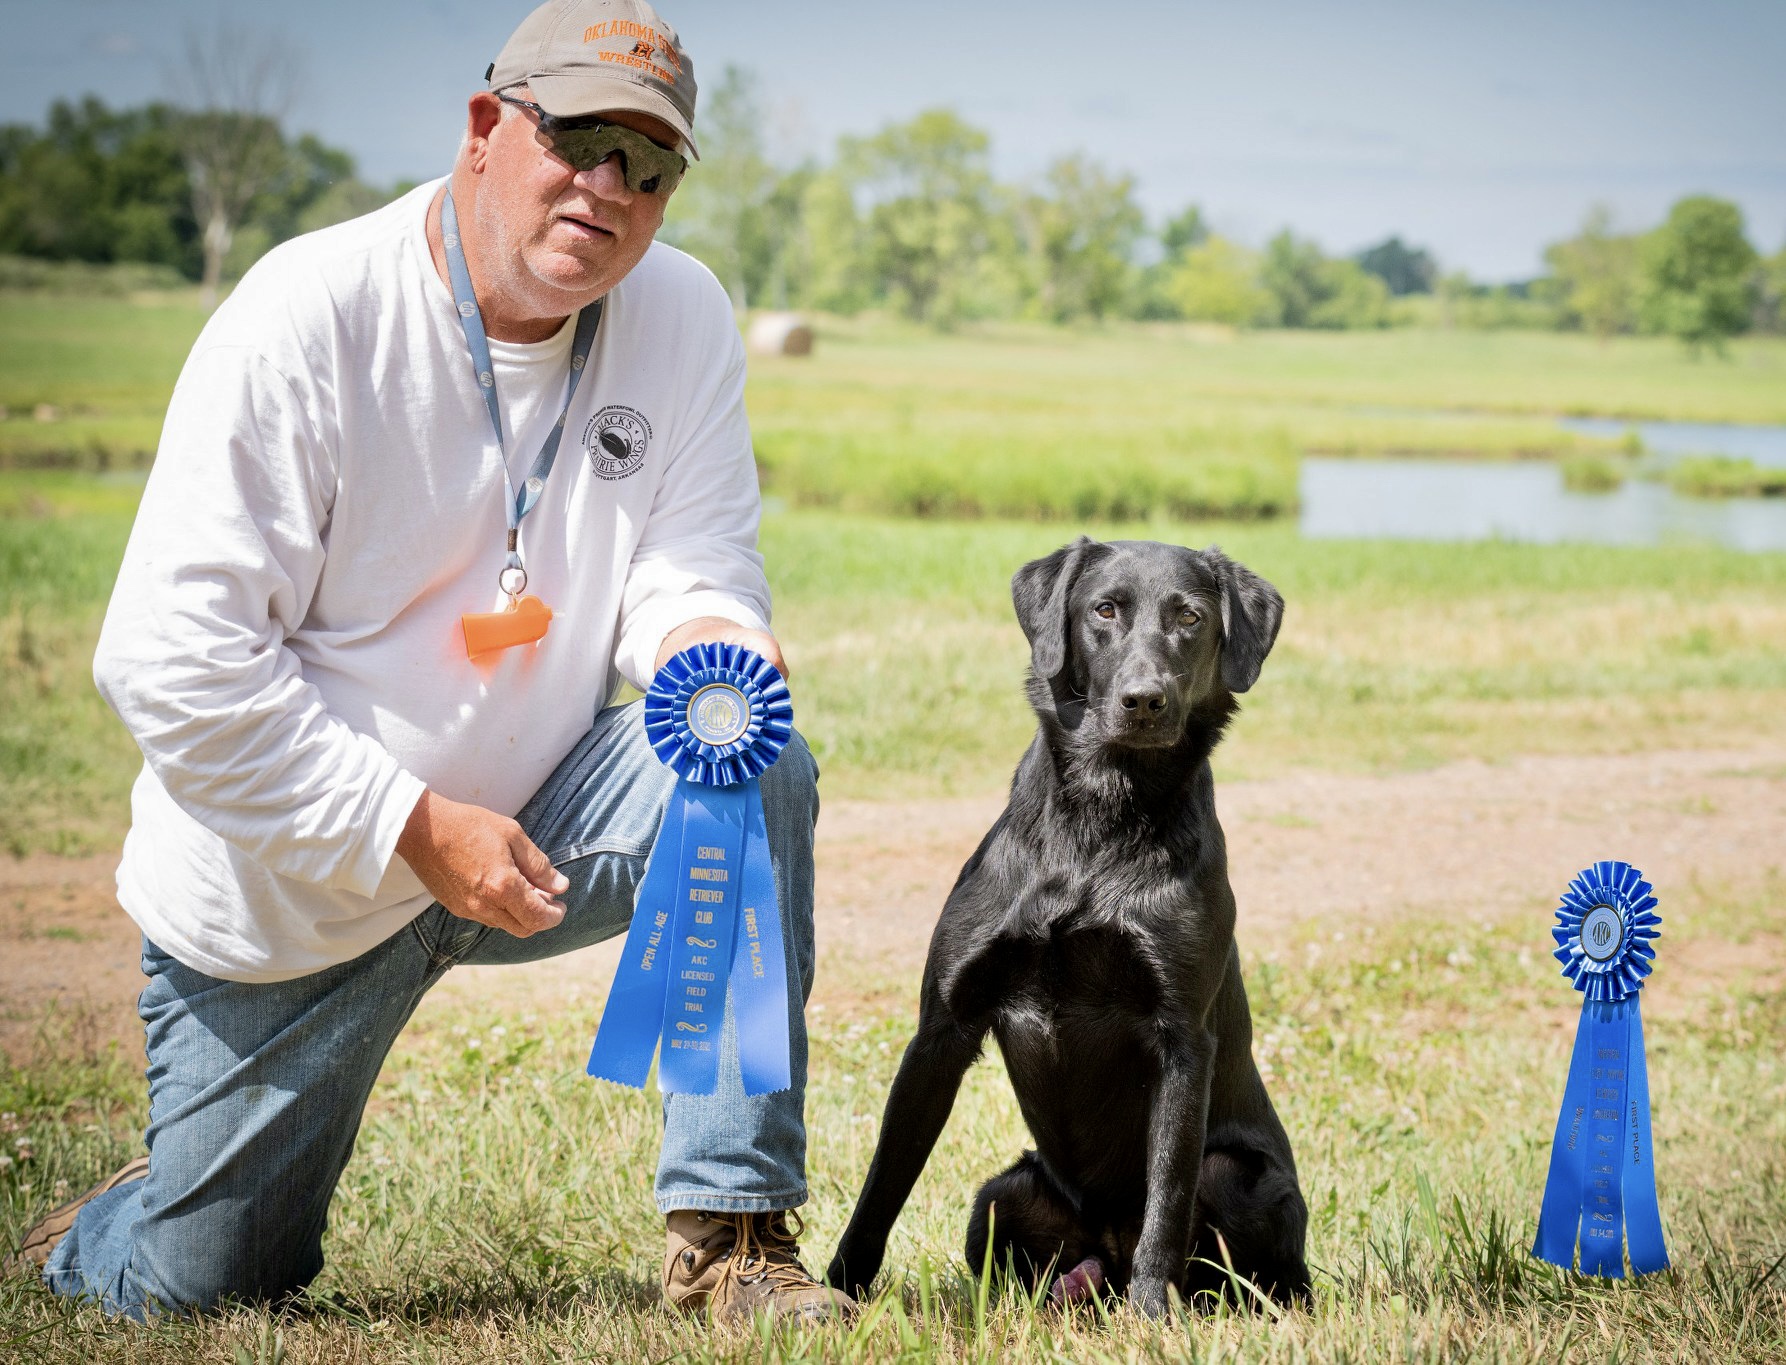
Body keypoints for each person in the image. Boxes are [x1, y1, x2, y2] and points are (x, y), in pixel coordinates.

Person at [7, 0, 853, 1327]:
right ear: (484, 129)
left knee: (750, 754)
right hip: (290, 895)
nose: (611, 188)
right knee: (195, 1288)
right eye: (581, 140)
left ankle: (731, 1241)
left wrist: (708, 645)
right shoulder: (308, 310)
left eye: (650, 165)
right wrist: (404, 823)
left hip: (538, 820)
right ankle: (132, 1214)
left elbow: (690, 558)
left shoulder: (680, 313)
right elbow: (170, 660)